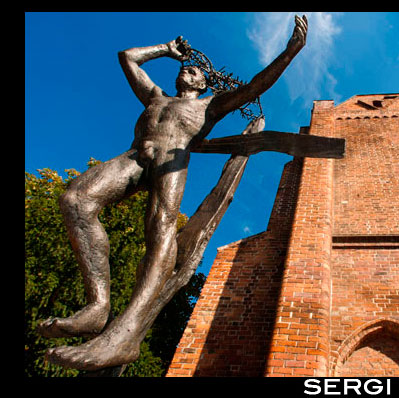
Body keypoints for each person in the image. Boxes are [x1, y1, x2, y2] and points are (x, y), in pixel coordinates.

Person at [39, 15, 308, 371]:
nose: (189, 71)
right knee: (75, 199)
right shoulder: (155, 97)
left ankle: (124, 336)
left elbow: (256, 86)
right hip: (135, 158)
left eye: (197, 71)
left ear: (204, 82)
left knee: (162, 232)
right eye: (187, 67)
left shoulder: (209, 105)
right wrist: (166, 50)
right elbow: (127, 57)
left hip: (172, 161)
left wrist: (290, 52)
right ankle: (97, 306)